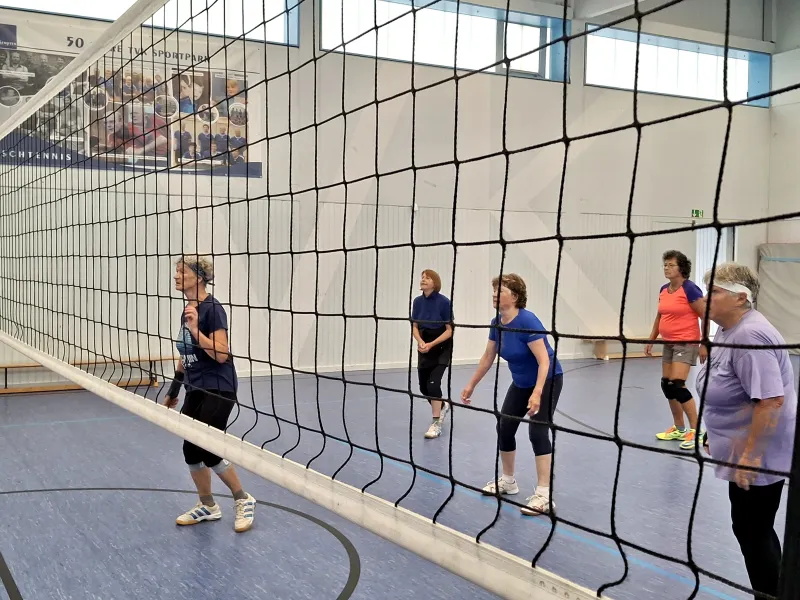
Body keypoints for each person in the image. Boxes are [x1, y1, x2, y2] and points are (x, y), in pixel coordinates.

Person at [697, 263, 795, 599]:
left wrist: (751, 457)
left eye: (715, 292)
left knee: (753, 530)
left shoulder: (750, 334)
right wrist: (714, 432)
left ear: (741, 298)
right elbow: (729, 388)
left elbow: (770, 401)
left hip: (761, 451)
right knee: (752, 529)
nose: (706, 298)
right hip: (743, 445)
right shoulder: (727, 330)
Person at [164, 255, 256, 532]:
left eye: (182, 271)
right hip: (195, 386)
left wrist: (195, 329)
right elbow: (186, 352)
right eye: (176, 271)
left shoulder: (212, 309)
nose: (176, 276)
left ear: (199, 277)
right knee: (190, 450)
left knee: (208, 446)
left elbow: (221, 354)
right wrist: (173, 390)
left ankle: (243, 499)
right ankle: (208, 505)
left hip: (219, 385)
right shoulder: (188, 309)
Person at [461, 273, 563, 515]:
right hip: (521, 383)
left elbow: (544, 361)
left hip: (547, 380)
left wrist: (537, 392)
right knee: (505, 426)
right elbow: (488, 357)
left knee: (537, 431)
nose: (495, 294)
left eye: (501, 290)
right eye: (494, 290)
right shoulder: (497, 322)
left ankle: (544, 495)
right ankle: (508, 481)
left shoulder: (528, 320)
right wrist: (471, 384)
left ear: (515, 296)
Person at [645, 250, 707, 450]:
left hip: (686, 343)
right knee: (667, 385)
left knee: (677, 384)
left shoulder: (690, 289)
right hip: (668, 343)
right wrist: (652, 339)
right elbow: (659, 316)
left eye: (671, 265)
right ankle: (679, 428)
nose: (666, 268)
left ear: (681, 268)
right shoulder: (664, 289)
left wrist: (705, 343)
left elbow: (705, 315)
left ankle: (696, 430)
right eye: (665, 265)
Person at [411, 269, 453, 439]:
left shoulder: (444, 302)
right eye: (422, 277)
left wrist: (432, 344)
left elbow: (449, 331)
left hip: (441, 346)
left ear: (435, 282)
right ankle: (442, 406)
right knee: (424, 388)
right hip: (424, 344)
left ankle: (436, 422)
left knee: (434, 384)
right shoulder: (417, 302)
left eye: (427, 278)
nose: (423, 280)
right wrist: (420, 341)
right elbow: (414, 326)